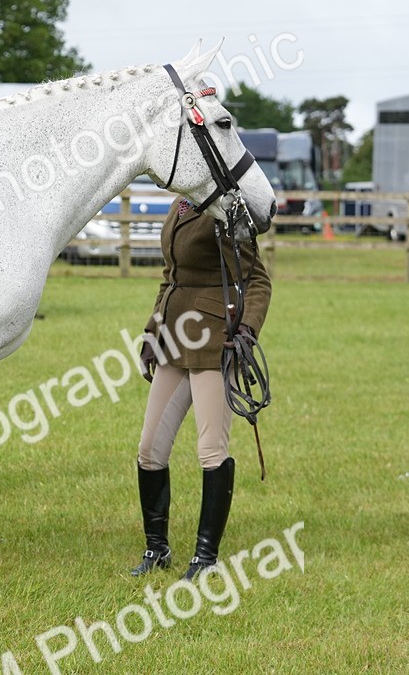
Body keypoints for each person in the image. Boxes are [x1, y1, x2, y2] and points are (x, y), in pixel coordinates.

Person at [131, 197, 271, 580]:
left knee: (211, 449)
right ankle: (156, 549)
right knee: (150, 449)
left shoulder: (226, 208)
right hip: (173, 340)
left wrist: (247, 328)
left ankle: (205, 557)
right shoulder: (180, 204)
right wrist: (151, 332)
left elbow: (257, 279)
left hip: (215, 341)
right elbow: (170, 277)